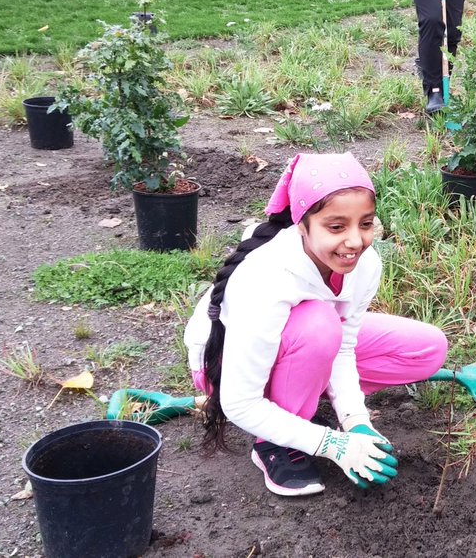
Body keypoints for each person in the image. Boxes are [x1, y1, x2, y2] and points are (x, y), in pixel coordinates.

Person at [186, 153, 448, 496]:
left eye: (365, 224)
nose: (355, 241)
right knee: (319, 325)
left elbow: (344, 347)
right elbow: (239, 402)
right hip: (224, 368)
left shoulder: (363, 264)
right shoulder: (268, 278)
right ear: (302, 225)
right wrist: (332, 444)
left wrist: (356, 421)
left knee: (427, 348)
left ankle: (303, 392)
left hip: (307, 340)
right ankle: (275, 445)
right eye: (336, 227)